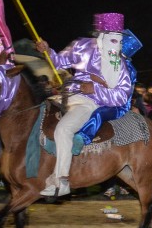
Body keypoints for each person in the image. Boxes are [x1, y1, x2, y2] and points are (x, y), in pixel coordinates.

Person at [34, 13, 135, 198]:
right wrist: (47, 51)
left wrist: (95, 90)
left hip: (88, 103)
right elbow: (59, 62)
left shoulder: (120, 63)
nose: (115, 40)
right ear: (100, 34)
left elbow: (121, 96)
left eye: (118, 36)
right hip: (65, 95)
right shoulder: (81, 45)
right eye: (111, 34)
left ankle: (62, 180)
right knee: (34, 116)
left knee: (63, 130)